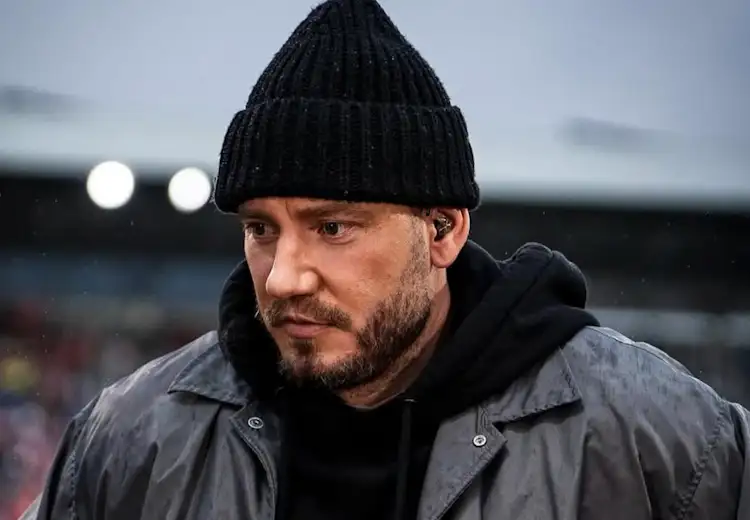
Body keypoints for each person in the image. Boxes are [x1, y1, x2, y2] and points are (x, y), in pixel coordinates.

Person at [21, 1, 750, 519]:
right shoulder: (130, 438)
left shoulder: (654, 438)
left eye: (333, 227)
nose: (283, 276)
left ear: (443, 231)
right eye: (261, 228)